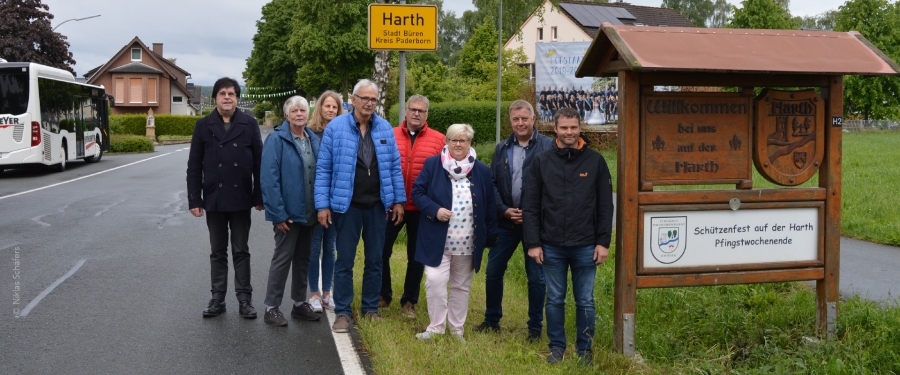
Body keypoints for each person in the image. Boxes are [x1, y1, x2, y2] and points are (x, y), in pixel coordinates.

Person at [524, 107, 614, 365]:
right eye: (564, 128)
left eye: (573, 127)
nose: (569, 132)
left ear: (580, 127)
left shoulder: (595, 161)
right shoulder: (541, 161)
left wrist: (603, 242)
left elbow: (605, 206)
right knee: (554, 298)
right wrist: (533, 243)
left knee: (585, 299)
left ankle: (585, 350)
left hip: (586, 245)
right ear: (555, 129)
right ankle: (556, 347)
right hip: (551, 245)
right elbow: (531, 205)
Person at [315, 79, 405, 333]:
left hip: (378, 206)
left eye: (373, 99)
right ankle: (343, 312)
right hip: (347, 207)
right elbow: (323, 169)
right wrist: (322, 205)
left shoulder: (385, 128)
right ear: (353, 100)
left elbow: (394, 168)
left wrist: (398, 200)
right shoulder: (336, 128)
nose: (369, 103)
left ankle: (370, 309)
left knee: (375, 260)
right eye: (364, 98)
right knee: (344, 261)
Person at [474, 100, 553, 340]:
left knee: (536, 277)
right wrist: (503, 209)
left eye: (524, 118)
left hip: (536, 224)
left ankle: (535, 328)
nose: (520, 123)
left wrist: (531, 212)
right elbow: (493, 183)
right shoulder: (502, 148)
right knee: (494, 271)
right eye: (515, 119)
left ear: (533, 119)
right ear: (511, 121)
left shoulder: (549, 146)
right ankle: (491, 320)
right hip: (505, 221)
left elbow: (554, 186)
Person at [411, 124, 497, 341]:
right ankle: (436, 327)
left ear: (470, 143)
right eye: (453, 140)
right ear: (446, 142)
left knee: (461, 286)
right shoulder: (433, 165)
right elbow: (417, 192)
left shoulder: (482, 170)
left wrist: (490, 237)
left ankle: (457, 329)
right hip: (437, 239)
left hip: (467, 242)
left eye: (463, 140)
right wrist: (435, 210)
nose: (458, 144)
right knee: (434, 281)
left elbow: (489, 205)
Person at [187, 77, 263, 319]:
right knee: (217, 252)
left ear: (237, 98)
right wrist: (195, 200)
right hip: (214, 199)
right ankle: (217, 299)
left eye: (231, 93)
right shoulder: (203, 125)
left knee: (241, 250)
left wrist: (259, 196)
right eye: (222, 93)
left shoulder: (250, 124)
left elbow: (260, 165)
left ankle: (244, 300)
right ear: (215, 98)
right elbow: (194, 166)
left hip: (241, 198)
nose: (227, 97)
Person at [259, 96, 322, 326]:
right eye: (294, 110)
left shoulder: (313, 139)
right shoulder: (276, 140)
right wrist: (277, 214)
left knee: (303, 258)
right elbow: (269, 180)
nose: (299, 114)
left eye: (303, 110)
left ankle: (298, 304)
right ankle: (271, 307)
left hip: (309, 212)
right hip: (287, 214)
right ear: (286, 115)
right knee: (283, 258)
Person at [380, 94, 445, 317]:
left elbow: (442, 174)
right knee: (381, 250)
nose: (416, 113)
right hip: (392, 204)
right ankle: (383, 295)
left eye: (421, 110)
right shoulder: (389, 134)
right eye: (412, 109)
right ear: (405, 112)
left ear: (427, 114)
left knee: (416, 257)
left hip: (422, 207)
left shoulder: (439, 140)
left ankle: (409, 300)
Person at [306, 90, 343, 312]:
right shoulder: (311, 134)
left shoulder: (345, 132)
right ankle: (313, 294)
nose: (330, 110)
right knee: (313, 248)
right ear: (319, 108)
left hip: (337, 200)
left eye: (335, 107)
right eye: (327, 106)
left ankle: (327, 293)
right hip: (317, 200)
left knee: (330, 248)